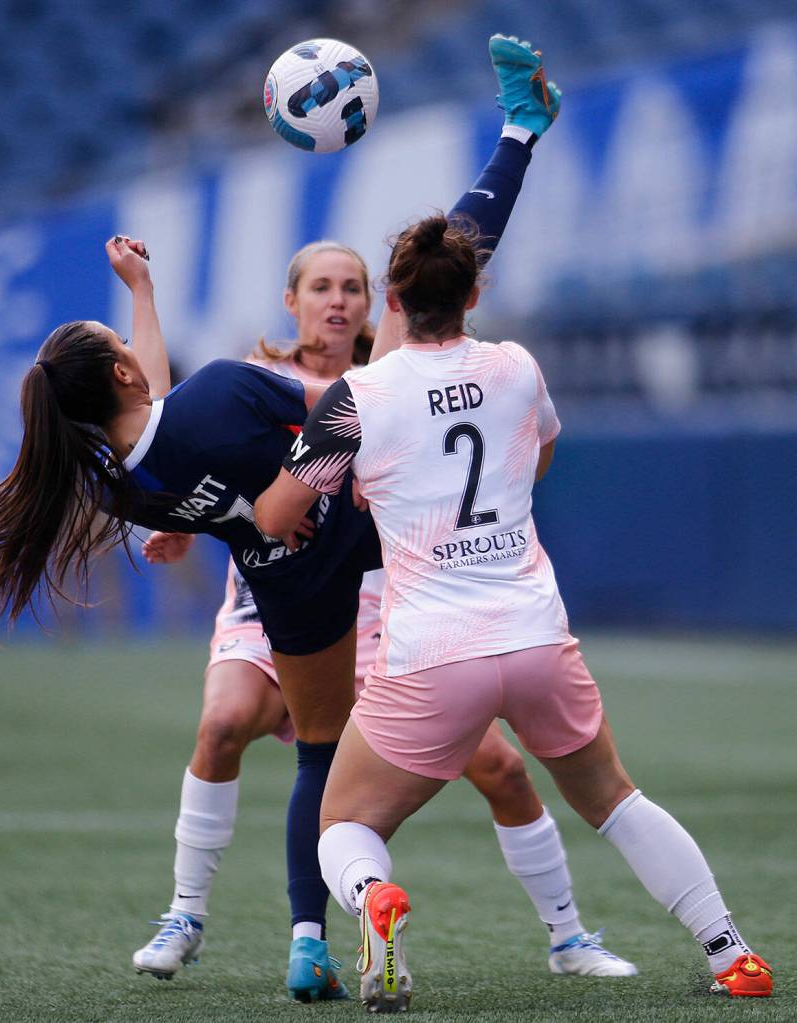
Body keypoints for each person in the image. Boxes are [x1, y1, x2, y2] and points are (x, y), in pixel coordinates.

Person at [253, 95, 775, 1018]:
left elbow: (282, 511)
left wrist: (344, 491)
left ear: (394, 302)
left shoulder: (357, 397)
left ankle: (376, 903)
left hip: (432, 650)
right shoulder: (519, 366)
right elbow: (536, 454)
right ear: (475, 295)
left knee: (346, 820)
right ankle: (730, 948)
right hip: (533, 632)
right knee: (613, 796)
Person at [130, 241, 634, 997]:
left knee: (499, 768)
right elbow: (197, 461)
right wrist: (186, 521)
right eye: (322, 287)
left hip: (380, 609)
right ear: (290, 300)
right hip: (271, 604)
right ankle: (185, 915)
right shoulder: (262, 383)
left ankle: (568, 933)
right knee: (224, 721)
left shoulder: (385, 383)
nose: (338, 301)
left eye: (353, 288)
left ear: (380, 303)